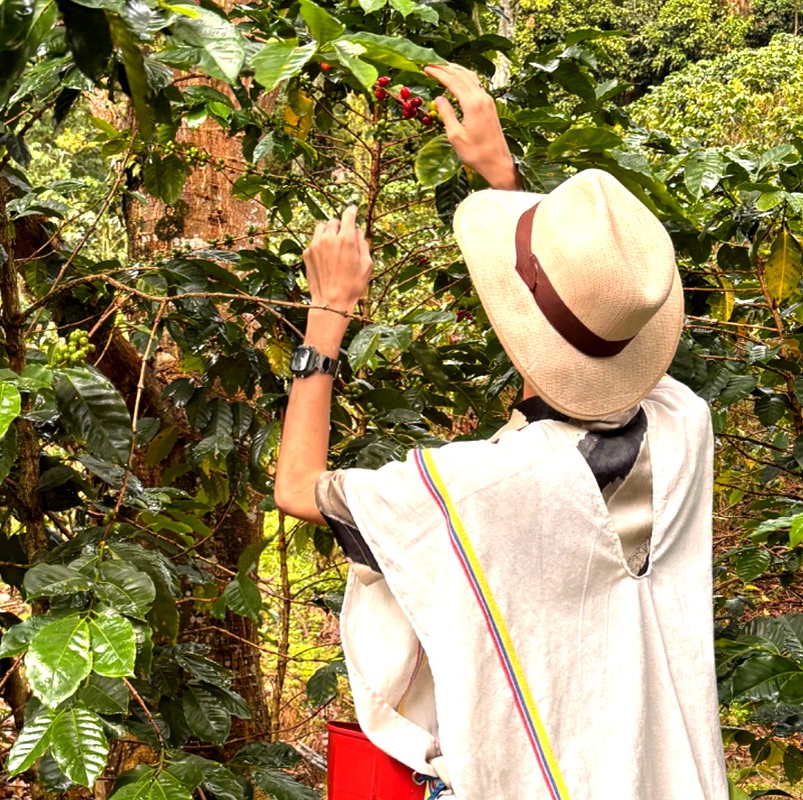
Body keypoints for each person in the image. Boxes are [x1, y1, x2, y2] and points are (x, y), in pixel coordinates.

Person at [274, 63, 729, 800]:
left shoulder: (481, 488)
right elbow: (583, 331)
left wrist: (326, 315)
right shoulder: (686, 423)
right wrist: (501, 175)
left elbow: (297, 489)